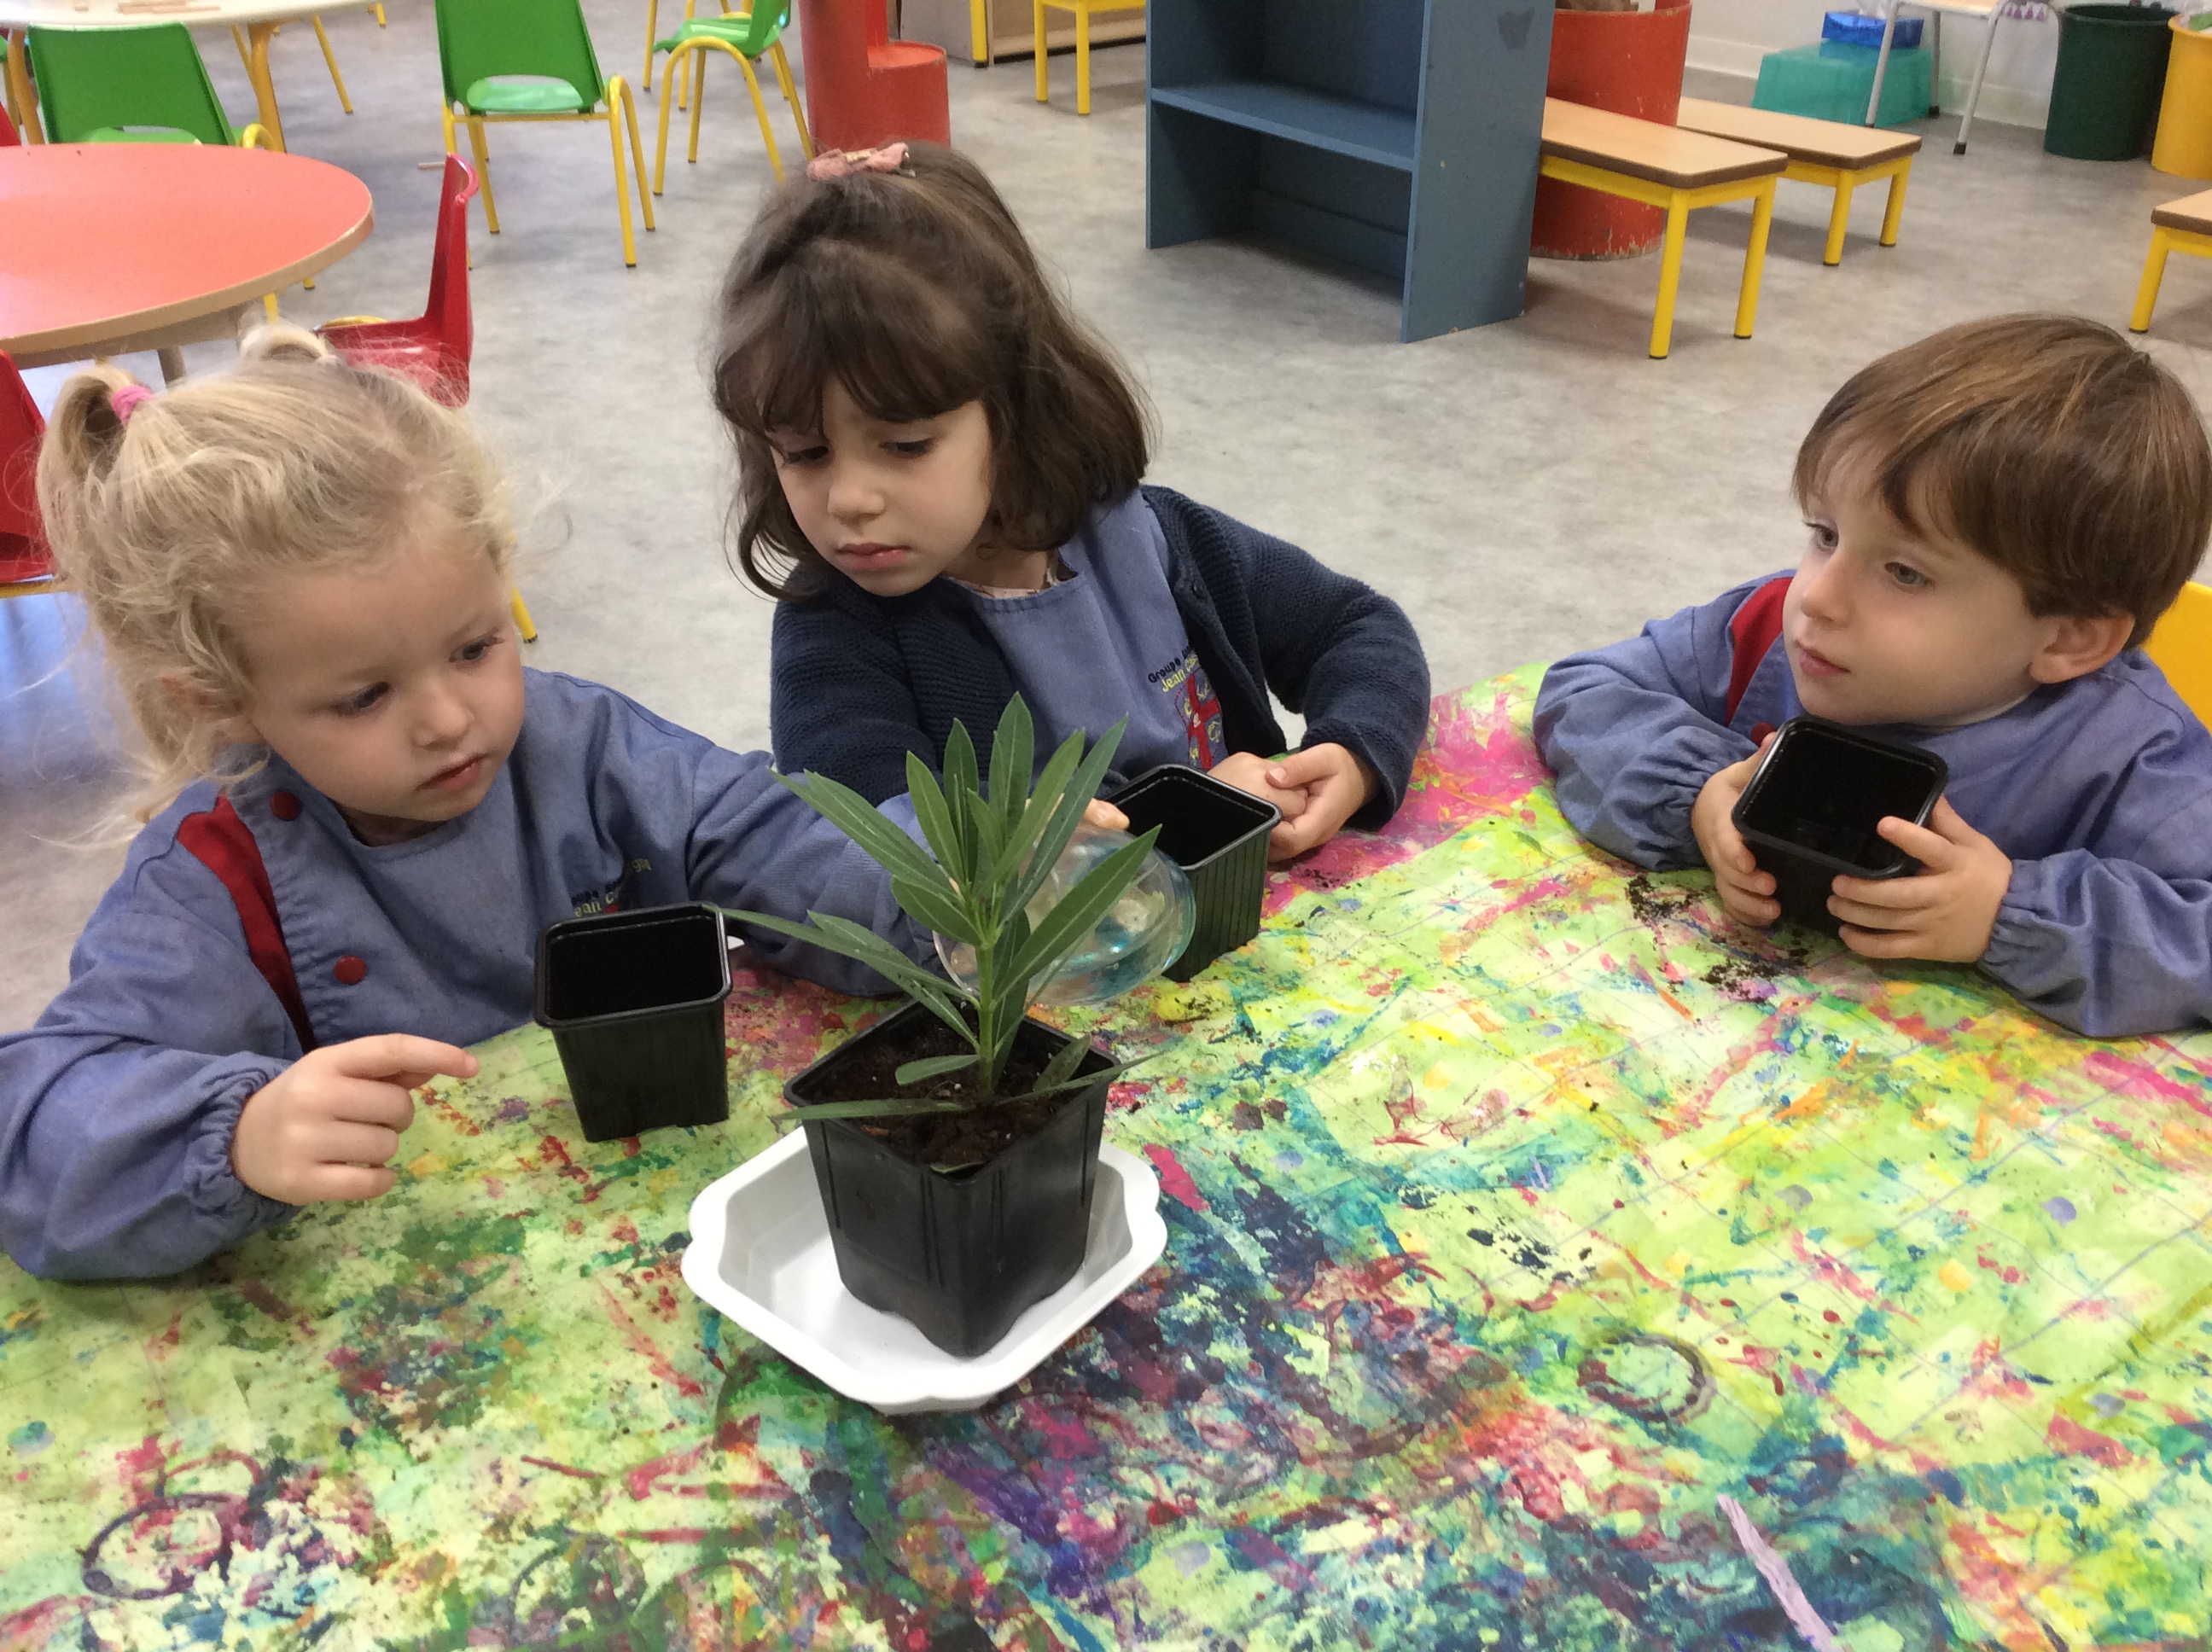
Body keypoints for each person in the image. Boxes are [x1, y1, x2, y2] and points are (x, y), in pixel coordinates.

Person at [0, 329, 928, 1281]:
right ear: (221, 700)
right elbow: (36, 1142)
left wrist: (950, 893)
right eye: (364, 696)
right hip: (416, 1294)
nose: (449, 721)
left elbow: (782, 846)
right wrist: (237, 1135)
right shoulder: (213, 881)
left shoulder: (588, 749)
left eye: (475, 648)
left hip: (652, 1240)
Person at [711, 142, 1431, 863]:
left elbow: (1355, 626)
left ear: (1014, 408)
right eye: (803, 453)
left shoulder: (1155, 538)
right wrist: (1167, 822)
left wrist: (1352, 754)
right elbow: (862, 846)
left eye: (904, 446)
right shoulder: (835, 633)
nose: (849, 499)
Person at [1534, 313, 2212, 1038]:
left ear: (2070, 638)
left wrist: (2008, 913)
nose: (1817, 598)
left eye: (1905, 572)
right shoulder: (1763, 629)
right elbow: (1583, 691)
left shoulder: (2129, 754)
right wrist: (1696, 791)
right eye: (1825, 534)